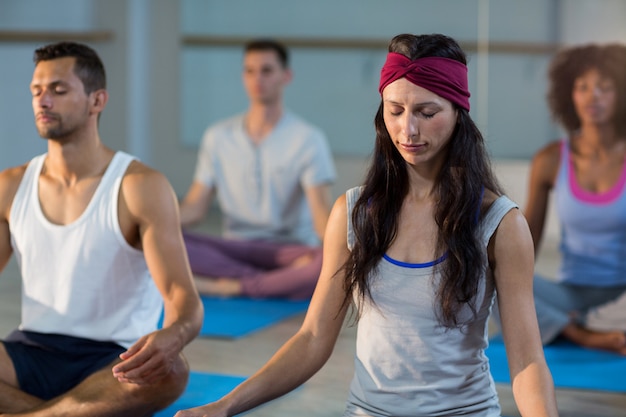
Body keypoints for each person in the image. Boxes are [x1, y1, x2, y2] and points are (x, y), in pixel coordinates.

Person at [175, 33, 558, 417]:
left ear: (459, 111)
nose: (408, 130)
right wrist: (224, 407)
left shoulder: (500, 223)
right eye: (395, 110)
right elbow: (312, 338)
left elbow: (526, 361)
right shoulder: (355, 211)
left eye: (426, 113)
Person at [0, 42, 203, 416]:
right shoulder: (10, 185)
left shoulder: (140, 186)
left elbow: (183, 299)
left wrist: (171, 335)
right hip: (28, 353)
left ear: (97, 101)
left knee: (172, 371)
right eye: (36, 91)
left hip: (115, 361)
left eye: (59, 90)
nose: (43, 101)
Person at [179, 38, 336, 300]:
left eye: (267, 70)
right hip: (235, 246)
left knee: (325, 264)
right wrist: (149, 224)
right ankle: (274, 284)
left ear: (286, 76)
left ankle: (231, 285)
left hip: (289, 251)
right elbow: (195, 208)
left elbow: (322, 221)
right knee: (169, 241)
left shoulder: (308, 139)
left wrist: (349, 248)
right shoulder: (217, 136)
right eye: (249, 71)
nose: (257, 79)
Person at [523, 42, 626, 354]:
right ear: (569, 94)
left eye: (604, 87)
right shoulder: (550, 160)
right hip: (569, 295)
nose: (592, 96)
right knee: (487, 277)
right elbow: (524, 243)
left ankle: (562, 325)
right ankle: (579, 333)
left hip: (622, 295)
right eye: (582, 87)